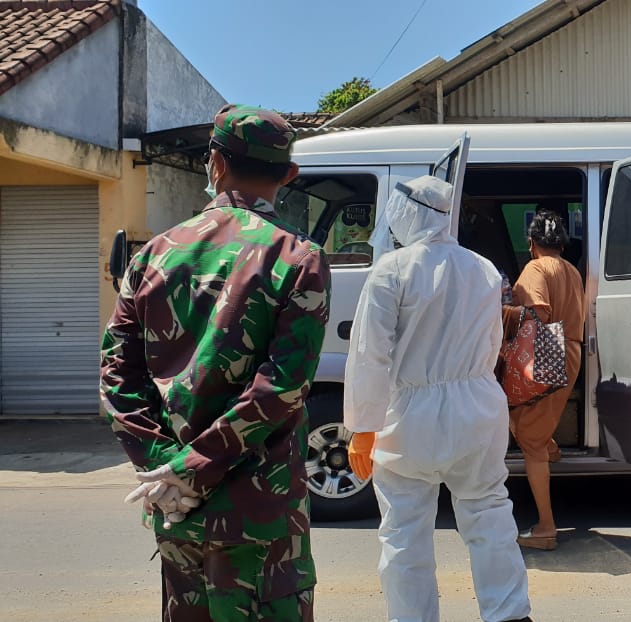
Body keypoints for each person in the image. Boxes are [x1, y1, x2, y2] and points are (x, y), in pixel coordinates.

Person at [100, 104, 330, 621]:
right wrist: (191, 470)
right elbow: (282, 387)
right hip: (260, 513)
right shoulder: (298, 258)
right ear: (288, 175)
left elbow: (118, 375)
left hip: (176, 509)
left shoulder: (153, 255)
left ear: (214, 164)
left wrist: (166, 471)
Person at [343, 175, 534, 622]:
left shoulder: (391, 269)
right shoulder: (484, 268)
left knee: (405, 531)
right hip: (478, 408)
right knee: (489, 514)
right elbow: (490, 344)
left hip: (410, 417)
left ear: (408, 213)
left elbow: (370, 354)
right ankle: (509, 614)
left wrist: (362, 429)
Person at [503, 211, 586, 551]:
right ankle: (547, 445)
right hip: (569, 349)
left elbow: (539, 314)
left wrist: (498, 309)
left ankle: (546, 529)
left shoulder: (536, 268)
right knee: (528, 423)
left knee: (529, 441)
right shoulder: (572, 270)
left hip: (545, 350)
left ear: (532, 243)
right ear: (562, 244)